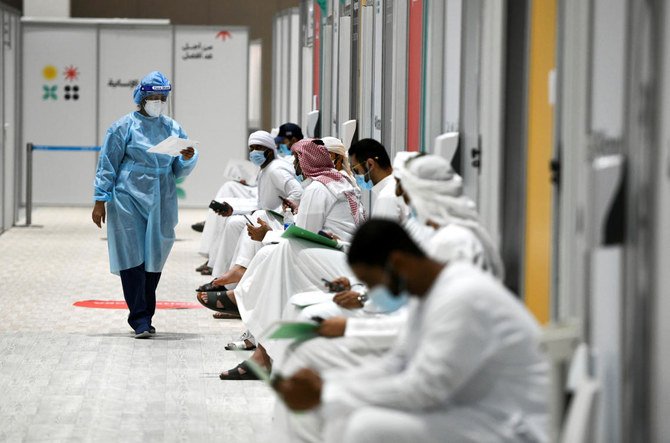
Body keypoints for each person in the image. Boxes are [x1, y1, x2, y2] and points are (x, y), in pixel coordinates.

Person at [276, 219, 549, 443]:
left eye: (372, 283)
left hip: (510, 424)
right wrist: (330, 385)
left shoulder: (462, 295)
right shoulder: (428, 296)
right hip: (472, 409)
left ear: (398, 263)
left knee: (365, 427)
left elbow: (426, 388)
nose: (371, 292)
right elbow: (396, 363)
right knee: (338, 413)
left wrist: (328, 392)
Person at [91, 71, 198, 339]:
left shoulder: (173, 128)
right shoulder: (122, 127)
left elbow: (179, 169)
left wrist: (187, 157)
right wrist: (100, 200)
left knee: (155, 255)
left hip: (162, 195)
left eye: (162, 97)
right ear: (141, 97)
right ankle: (139, 318)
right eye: (152, 97)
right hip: (128, 195)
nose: (157, 102)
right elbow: (108, 164)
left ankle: (146, 314)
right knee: (131, 255)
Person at [348, 138, 400, 219]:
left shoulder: (387, 197)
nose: (356, 175)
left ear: (370, 164)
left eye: (356, 170)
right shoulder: (396, 188)